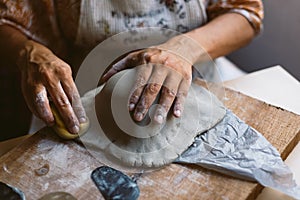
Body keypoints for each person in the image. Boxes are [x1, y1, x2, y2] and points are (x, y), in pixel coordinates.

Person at [0, 0, 263, 137]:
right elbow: (7, 19)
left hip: (200, 78)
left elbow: (245, 13)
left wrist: (183, 49)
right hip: (88, 95)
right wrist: (29, 52)